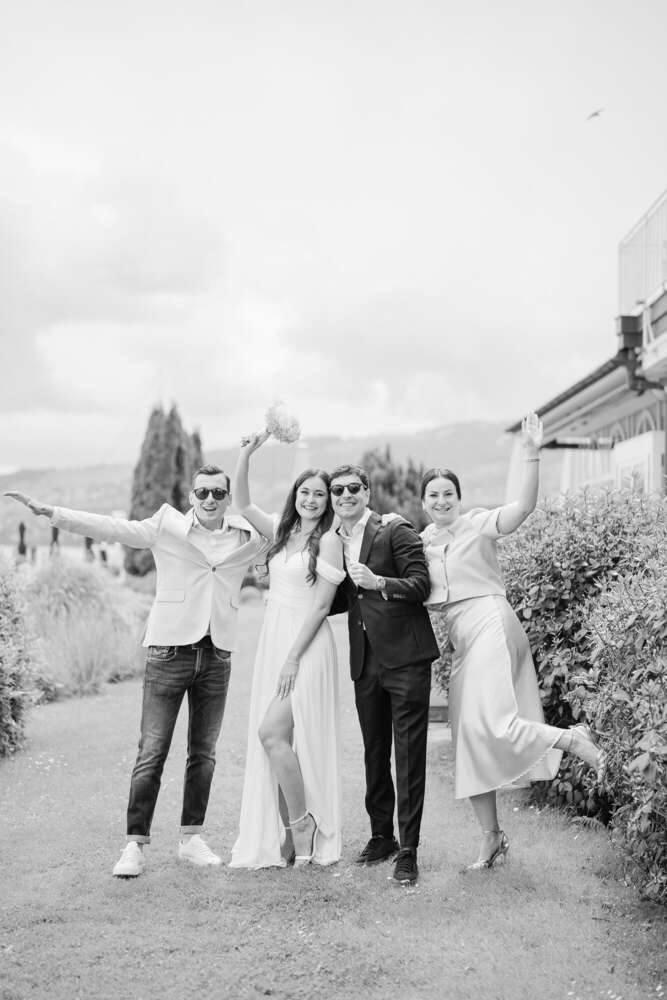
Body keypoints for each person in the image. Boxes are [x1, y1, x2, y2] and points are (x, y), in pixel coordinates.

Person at [4, 466, 269, 878]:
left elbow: (288, 535)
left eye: (218, 492)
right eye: (202, 492)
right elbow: (113, 529)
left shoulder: (246, 536)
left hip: (218, 654)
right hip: (168, 651)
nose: (210, 499)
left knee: (204, 753)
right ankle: (134, 844)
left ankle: (191, 839)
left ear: (229, 498)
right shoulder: (167, 525)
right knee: (152, 751)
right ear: (191, 496)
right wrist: (52, 512)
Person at [420, 412, 604, 870]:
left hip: (490, 622)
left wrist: (532, 453)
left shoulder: (478, 524)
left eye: (448, 493)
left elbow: (523, 508)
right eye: (433, 495)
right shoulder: (420, 543)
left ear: (459, 498)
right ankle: (492, 838)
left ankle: (573, 739)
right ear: (423, 502)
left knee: (496, 724)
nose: (441, 500)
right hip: (461, 641)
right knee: (469, 738)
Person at [229, 431, 346, 869]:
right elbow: (241, 503)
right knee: (279, 740)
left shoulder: (328, 541)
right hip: (274, 638)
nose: (311, 500)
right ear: (295, 495)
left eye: (319, 494)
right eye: (305, 492)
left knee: (272, 734)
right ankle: (288, 833)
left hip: (306, 645)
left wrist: (293, 658)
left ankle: (302, 825)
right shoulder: (282, 531)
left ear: (327, 502)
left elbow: (321, 606)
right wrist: (247, 453)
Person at [328, 464, 440, 886]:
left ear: (367, 492)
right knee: (374, 752)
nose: (345, 495)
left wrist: (379, 582)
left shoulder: (395, 529)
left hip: (407, 659)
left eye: (353, 488)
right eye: (337, 489)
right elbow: (345, 598)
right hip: (365, 662)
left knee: (408, 755)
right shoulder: (334, 540)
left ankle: (408, 850)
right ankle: (381, 837)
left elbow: (421, 585)